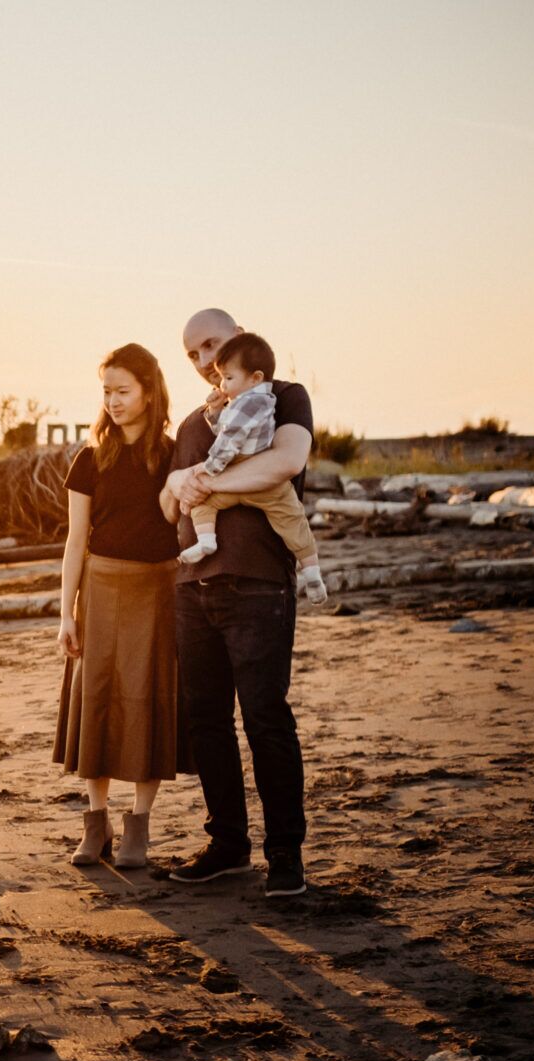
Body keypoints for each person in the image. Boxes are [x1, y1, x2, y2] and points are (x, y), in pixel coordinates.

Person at [162, 308, 313, 898]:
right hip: (191, 588)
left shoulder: (283, 395)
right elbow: (169, 504)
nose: (204, 364)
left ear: (241, 340)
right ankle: (228, 845)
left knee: (265, 718)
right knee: (206, 721)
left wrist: (204, 483)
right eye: (192, 356)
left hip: (257, 582)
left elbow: (286, 462)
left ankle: (285, 856)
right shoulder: (192, 425)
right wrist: (178, 486)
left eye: (211, 347)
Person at [53, 343, 188, 870]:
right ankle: (96, 822)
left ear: (149, 392)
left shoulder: (174, 454)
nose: (112, 401)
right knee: (98, 702)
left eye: (122, 391)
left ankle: (139, 826)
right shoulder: (90, 457)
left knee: (147, 701)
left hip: (160, 589)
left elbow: (181, 522)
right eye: (105, 391)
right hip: (101, 589)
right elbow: (75, 540)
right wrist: (67, 612)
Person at [176, 333, 328, 605]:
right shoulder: (247, 402)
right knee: (292, 520)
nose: (222, 382)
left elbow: (230, 439)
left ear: (256, 378)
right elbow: (228, 426)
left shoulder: (257, 401)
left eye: (228, 378)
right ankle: (312, 570)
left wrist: (209, 470)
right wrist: (215, 412)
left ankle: (206, 539)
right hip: (259, 485)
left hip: (249, 475)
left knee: (203, 502)